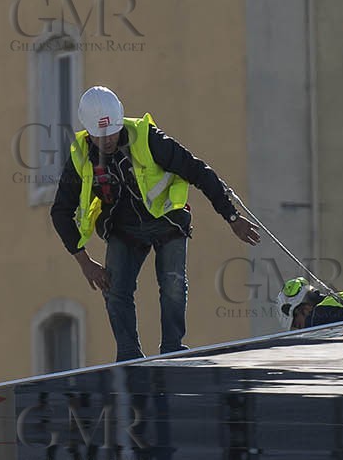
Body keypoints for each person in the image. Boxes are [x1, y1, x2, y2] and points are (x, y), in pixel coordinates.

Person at [51, 86, 260, 362]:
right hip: (123, 230)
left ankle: (172, 349)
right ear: (88, 132)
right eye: (100, 136)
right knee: (115, 291)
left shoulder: (147, 138)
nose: (108, 140)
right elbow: (60, 212)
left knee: (173, 284)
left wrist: (232, 217)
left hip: (167, 221)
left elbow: (198, 170)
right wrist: (85, 262)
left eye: (112, 131)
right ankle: (128, 357)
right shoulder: (79, 157)